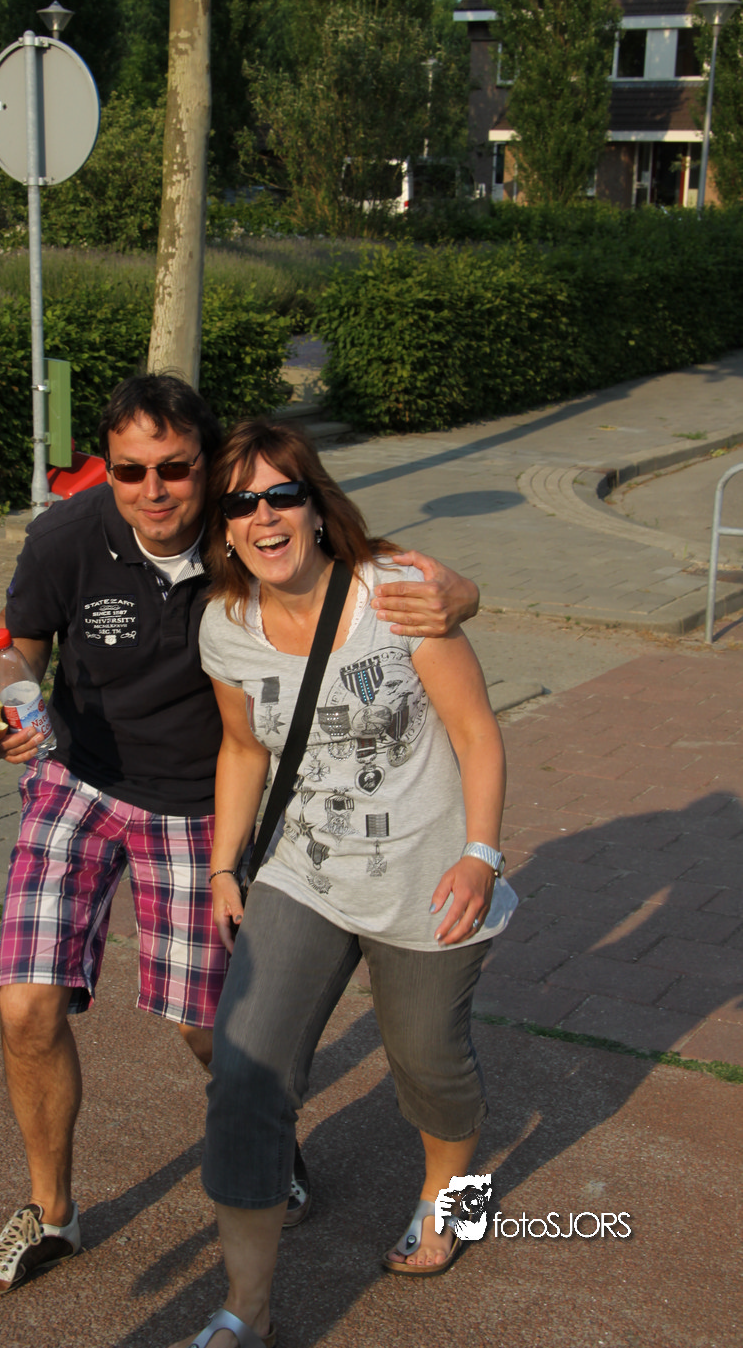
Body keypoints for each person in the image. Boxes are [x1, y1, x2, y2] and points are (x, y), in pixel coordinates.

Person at [0, 374, 480, 1298]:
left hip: (197, 804)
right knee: (26, 1006)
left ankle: (274, 1140)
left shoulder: (244, 526)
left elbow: (365, 563)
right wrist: (16, 696)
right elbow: (18, 639)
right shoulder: (66, 534)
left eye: (174, 468)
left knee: (218, 1033)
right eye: (129, 471)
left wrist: (465, 593)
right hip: (77, 779)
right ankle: (50, 1212)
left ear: (207, 464)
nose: (152, 490)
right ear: (106, 468)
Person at [174, 418, 517, 1348]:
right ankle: (245, 1306)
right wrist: (225, 863)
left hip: (428, 877)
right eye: (241, 502)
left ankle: (452, 1195)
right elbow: (243, 749)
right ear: (224, 525)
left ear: (317, 505)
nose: (263, 516)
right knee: (244, 1074)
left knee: (428, 1065)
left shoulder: (393, 593)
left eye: (281, 494)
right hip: (304, 873)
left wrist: (480, 855)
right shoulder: (225, 626)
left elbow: (478, 731)